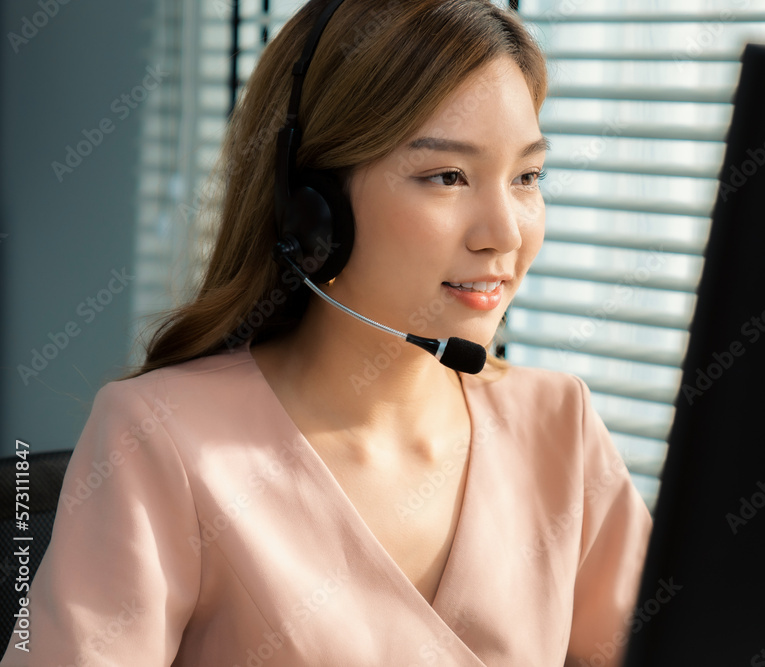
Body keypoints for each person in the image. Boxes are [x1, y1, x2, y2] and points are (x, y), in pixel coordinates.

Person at [1, 1, 652, 665]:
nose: (506, 233)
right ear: (312, 211)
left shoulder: (558, 425)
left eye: (527, 177)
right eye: (447, 177)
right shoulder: (160, 437)